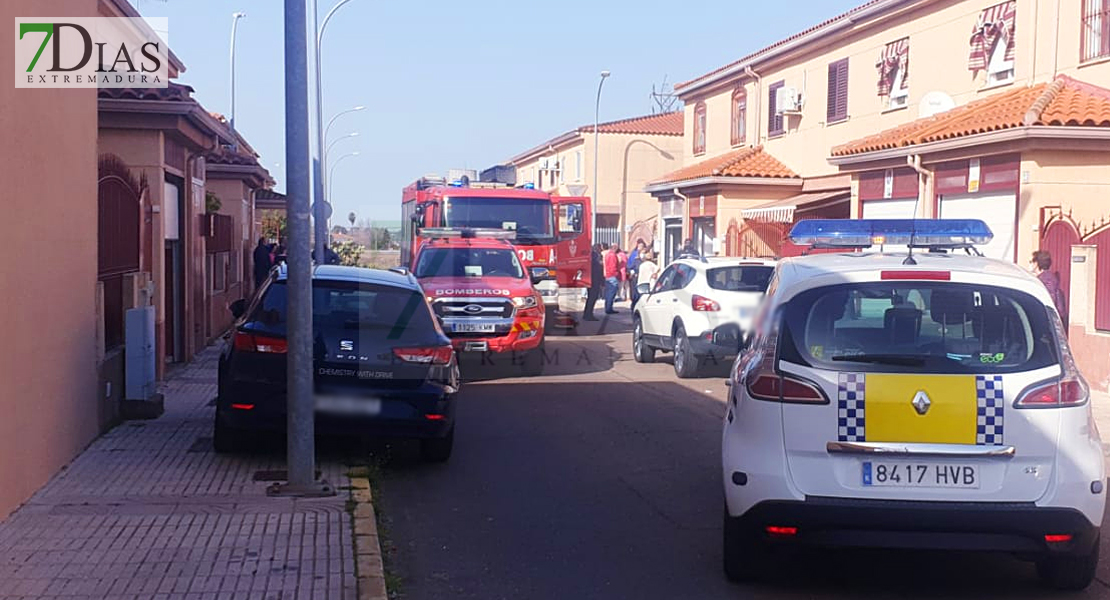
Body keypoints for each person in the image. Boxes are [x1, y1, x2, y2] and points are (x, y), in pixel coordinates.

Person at [1032, 250, 1068, 325]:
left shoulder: (1047, 279)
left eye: (1031, 261)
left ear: (1036, 263)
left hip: (1048, 318)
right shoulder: (1044, 277)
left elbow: (1051, 298)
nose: (1030, 264)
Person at [583, 243, 605, 321]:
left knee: (590, 297)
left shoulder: (590, 256)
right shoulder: (596, 256)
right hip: (595, 279)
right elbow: (599, 269)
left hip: (590, 279)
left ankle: (587, 314)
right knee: (593, 297)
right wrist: (602, 281)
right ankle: (588, 314)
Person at [603, 244, 620, 315]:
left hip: (608, 275)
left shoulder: (607, 255)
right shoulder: (613, 255)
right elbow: (613, 266)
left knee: (608, 293)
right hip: (612, 275)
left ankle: (607, 307)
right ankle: (609, 308)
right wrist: (616, 273)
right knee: (611, 293)